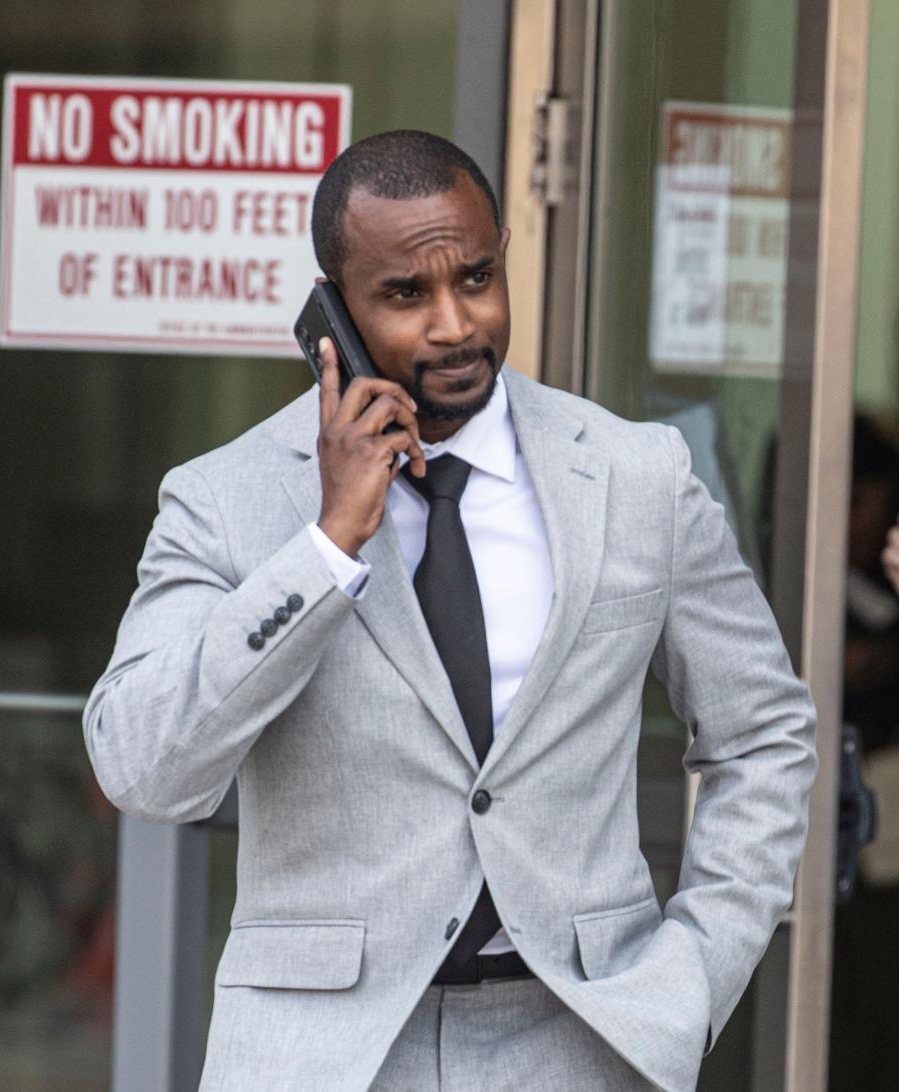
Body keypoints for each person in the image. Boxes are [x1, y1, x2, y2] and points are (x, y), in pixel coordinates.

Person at [83, 131, 817, 1092]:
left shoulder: (638, 477)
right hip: (324, 1059)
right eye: (403, 295)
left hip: (583, 1039)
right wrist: (326, 547)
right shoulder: (225, 500)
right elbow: (144, 769)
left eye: (476, 277)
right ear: (332, 308)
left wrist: (693, 978)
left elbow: (763, 736)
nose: (453, 324)